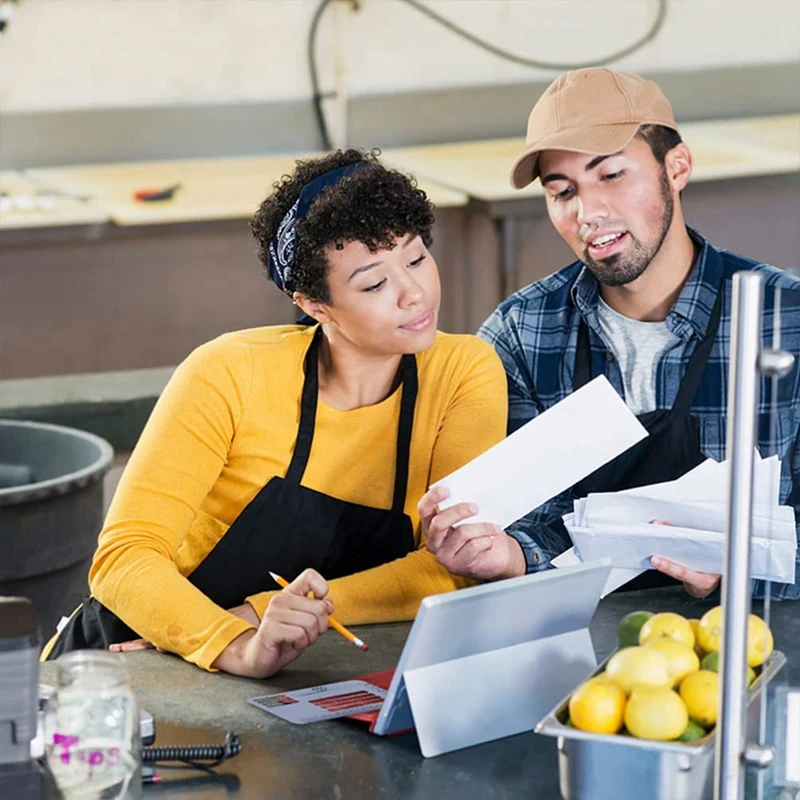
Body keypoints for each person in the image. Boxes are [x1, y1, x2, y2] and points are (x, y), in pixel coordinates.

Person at [42, 149, 508, 676]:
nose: (414, 294)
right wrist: (236, 641)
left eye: (417, 258)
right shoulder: (230, 373)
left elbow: (454, 565)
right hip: (145, 657)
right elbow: (124, 558)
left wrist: (262, 617)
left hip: (313, 665)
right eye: (375, 283)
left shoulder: (464, 371)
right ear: (314, 304)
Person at [419, 67, 800, 600]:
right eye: (563, 191)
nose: (588, 212)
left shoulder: (785, 318)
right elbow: (528, 520)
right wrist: (507, 555)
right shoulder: (522, 334)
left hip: (752, 646)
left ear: (678, 167)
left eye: (612, 175)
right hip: (575, 652)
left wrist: (740, 568)